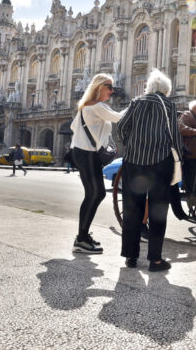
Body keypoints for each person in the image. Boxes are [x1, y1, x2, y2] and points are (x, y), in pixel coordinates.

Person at [117, 69, 181, 272]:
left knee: (132, 210)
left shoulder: (136, 102)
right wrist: (179, 159)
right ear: (165, 90)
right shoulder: (169, 106)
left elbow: (120, 128)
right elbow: (175, 137)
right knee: (158, 211)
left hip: (133, 163)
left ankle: (131, 256)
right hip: (160, 164)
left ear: (151, 87)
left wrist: (131, 144)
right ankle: (155, 260)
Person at [70, 73, 125, 254]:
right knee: (96, 193)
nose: (112, 91)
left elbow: (73, 127)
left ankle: (83, 236)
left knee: (94, 194)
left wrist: (95, 134)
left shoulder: (85, 106)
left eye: (112, 87)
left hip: (82, 152)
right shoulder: (98, 106)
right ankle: (81, 238)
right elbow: (119, 118)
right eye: (109, 87)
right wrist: (136, 105)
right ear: (98, 87)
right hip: (87, 154)